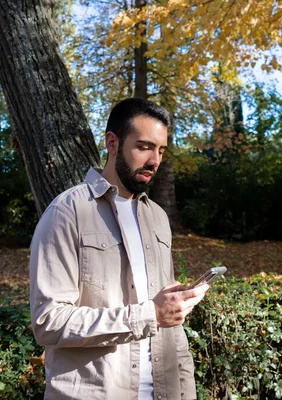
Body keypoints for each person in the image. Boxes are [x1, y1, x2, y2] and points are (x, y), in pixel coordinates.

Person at [29, 98, 210, 400]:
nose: (155, 160)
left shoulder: (158, 218)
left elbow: (170, 328)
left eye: (161, 150)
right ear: (112, 143)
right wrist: (148, 314)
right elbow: (49, 322)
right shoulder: (67, 212)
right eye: (144, 147)